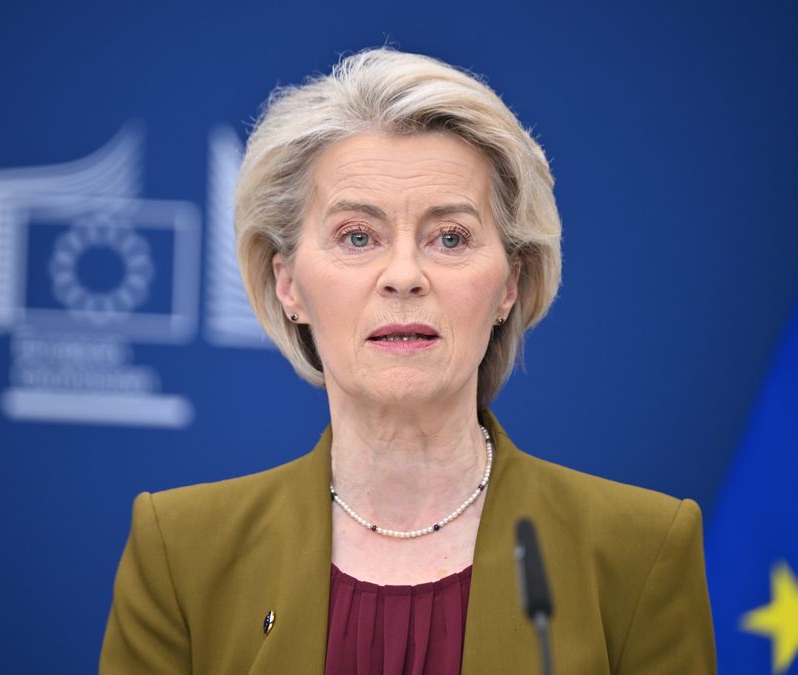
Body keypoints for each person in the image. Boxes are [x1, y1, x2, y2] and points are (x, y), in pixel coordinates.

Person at [99, 47, 715, 674]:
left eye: (450, 238)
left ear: (510, 283)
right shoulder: (182, 551)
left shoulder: (638, 550)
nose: (402, 277)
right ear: (288, 284)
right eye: (357, 237)